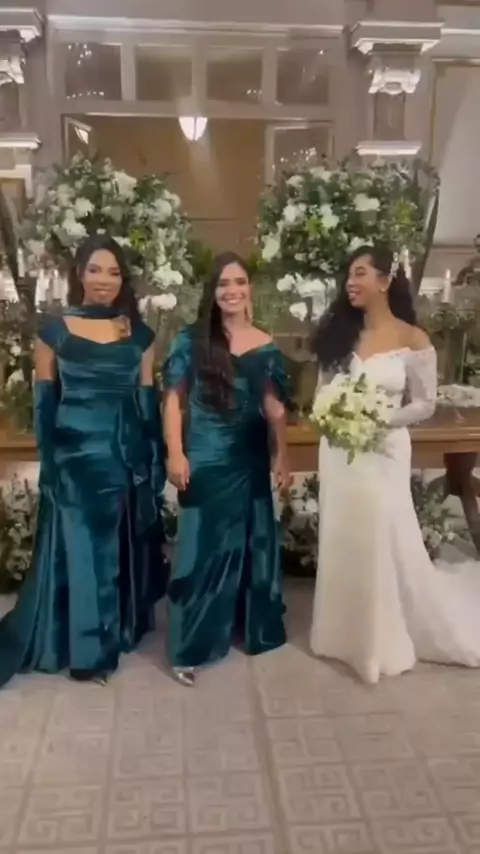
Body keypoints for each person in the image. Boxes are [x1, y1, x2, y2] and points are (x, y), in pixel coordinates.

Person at [0, 234, 166, 687]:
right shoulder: (54, 330)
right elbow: (44, 404)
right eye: (95, 270)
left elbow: (147, 402)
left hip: (122, 453)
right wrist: (50, 461)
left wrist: (153, 458)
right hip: (73, 456)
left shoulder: (138, 334)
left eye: (114, 272)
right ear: (80, 274)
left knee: (113, 550)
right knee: (84, 551)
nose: (104, 280)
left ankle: (113, 633)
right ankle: (89, 653)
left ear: (123, 279)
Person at [310, 244, 480, 684]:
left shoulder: (412, 338)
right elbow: (321, 394)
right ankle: (341, 635)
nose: (351, 282)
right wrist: (333, 415)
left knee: (382, 532)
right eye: (349, 275)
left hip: (384, 449)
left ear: (385, 281)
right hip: (339, 450)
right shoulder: (338, 336)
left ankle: (378, 641)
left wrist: (377, 418)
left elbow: (424, 403)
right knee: (344, 532)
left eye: (360, 273)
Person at [163, 251, 291, 686]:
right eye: (223, 283)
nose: (232, 290)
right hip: (206, 454)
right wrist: (175, 452)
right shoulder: (191, 339)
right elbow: (173, 400)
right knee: (201, 549)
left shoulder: (265, 342)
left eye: (239, 282)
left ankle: (246, 623)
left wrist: (282, 455)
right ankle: (189, 647)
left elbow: (274, 408)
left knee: (252, 541)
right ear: (212, 291)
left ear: (249, 288)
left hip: (249, 455)